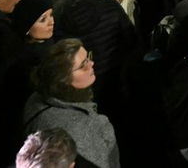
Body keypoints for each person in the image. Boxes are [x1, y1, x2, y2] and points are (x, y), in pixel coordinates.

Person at [21, 39, 120, 168]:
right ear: (63, 79)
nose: (92, 63)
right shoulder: (93, 127)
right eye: (83, 65)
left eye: (88, 57)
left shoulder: (37, 97)